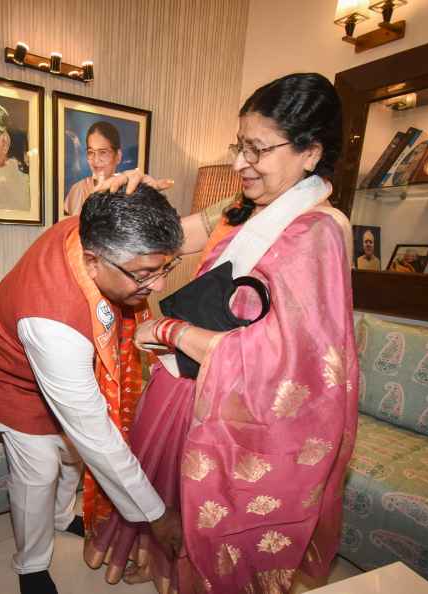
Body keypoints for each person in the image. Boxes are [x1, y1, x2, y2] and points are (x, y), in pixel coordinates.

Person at [86, 73, 359, 594]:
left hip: (231, 405)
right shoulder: (242, 211)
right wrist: (120, 203)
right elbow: (172, 238)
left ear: (310, 153)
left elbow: (289, 365)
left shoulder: (318, 232)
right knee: (165, 501)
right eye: (240, 146)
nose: (240, 163)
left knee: (205, 522)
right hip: (183, 384)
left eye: (256, 149)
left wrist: (169, 329)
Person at [0, 186, 185, 594]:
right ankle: (30, 564)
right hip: (8, 373)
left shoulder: (91, 226)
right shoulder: (53, 326)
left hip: (61, 360)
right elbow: (93, 432)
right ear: (92, 261)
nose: (156, 287)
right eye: (144, 274)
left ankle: (62, 516)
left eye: (164, 269)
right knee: (40, 469)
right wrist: (156, 513)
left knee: (71, 456)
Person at [63, 121, 123, 217]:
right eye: (91, 152)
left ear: (118, 156)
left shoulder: (128, 192)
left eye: (103, 152)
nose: (95, 159)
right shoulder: (77, 190)